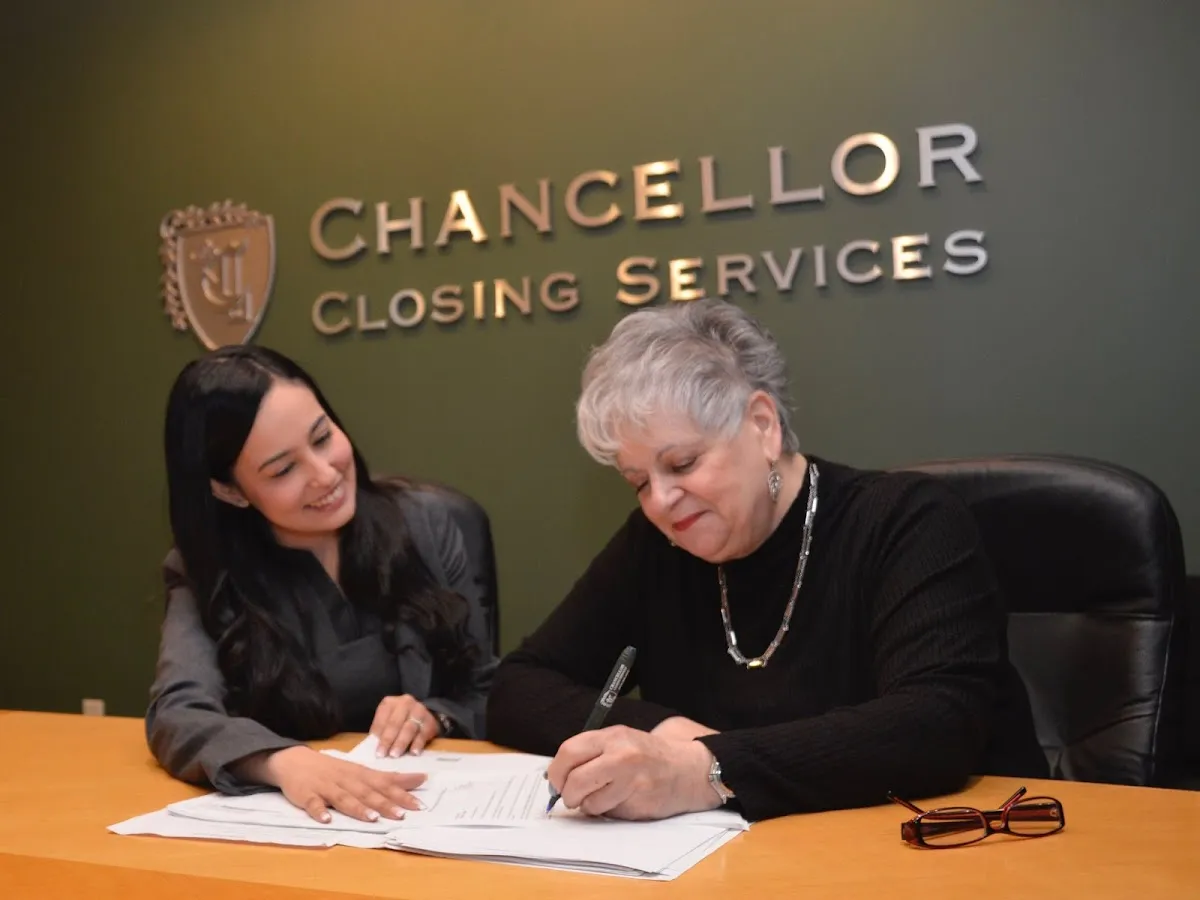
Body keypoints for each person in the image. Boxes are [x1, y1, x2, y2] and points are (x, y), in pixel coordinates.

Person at [486, 298, 1048, 823]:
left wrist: (705, 769)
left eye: (682, 464)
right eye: (638, 482)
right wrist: (663, 730)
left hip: (954, 844)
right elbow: (518, 687)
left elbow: (937, 723)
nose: (659, 501)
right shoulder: (657, 544)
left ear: (762, 425)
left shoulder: (908, 520)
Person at [147, 345, 497, 825]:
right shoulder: (208, 570)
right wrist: (281, 762)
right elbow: (178, 713)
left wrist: (436, 715)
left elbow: (488, 687)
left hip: (427, 812)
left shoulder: (429, 525)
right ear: (229, 490)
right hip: (307, 823)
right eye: (283, 470)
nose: (325, 474)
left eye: (322, 437)